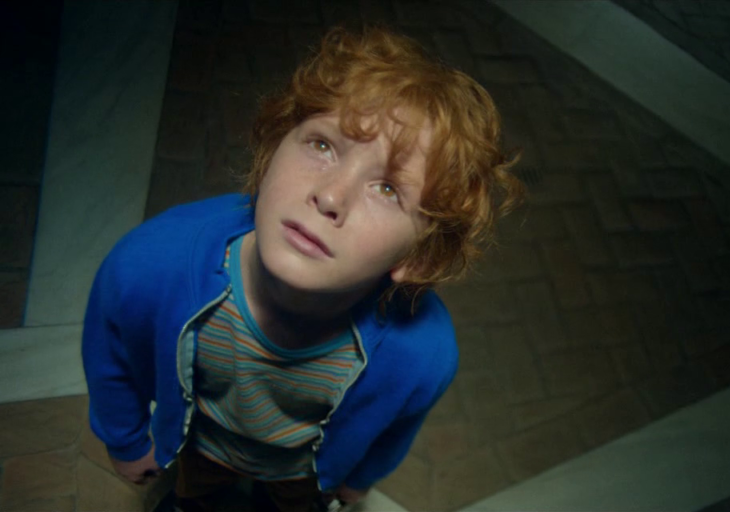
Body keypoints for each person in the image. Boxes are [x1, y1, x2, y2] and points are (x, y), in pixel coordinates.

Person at [82, 25, 523, 512]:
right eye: (322, 145)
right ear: (272, 150)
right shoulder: (149, 265)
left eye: (388, 189)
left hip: (302, 471)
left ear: (418, 256)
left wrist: (359, 477)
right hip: (203, 446)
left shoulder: (423, 353)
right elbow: (110, 355)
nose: (330, 196)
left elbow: (399, 425)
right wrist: (125, 440)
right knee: (197, 496)